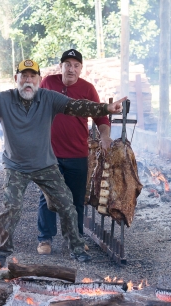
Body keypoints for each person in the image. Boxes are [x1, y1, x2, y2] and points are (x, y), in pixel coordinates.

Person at [0, 59, 126, 268]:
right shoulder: (3, 99)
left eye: (32, 76)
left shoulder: (49, 97)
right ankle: (2, 253)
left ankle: (77, 249)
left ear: (39, 80)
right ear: (16, 78)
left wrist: (106, 107)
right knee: (11, 208)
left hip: (46, 165)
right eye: (23, 76)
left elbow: (77, 106)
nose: (28, 80)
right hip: (16, 166)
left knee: (67, 205)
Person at [36, 49, 112, 255]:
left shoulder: (87, 89)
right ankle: (45, 239)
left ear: (80, 68)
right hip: (49, 154)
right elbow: (35, 108)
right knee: (47, 197)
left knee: (76, 198)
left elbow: (101, 118)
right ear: (60, 66)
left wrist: (105, 136)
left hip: (77, 153)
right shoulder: (48, 83)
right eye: (67, 64)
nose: (71, 69)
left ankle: (75, 238)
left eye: (76, 65)